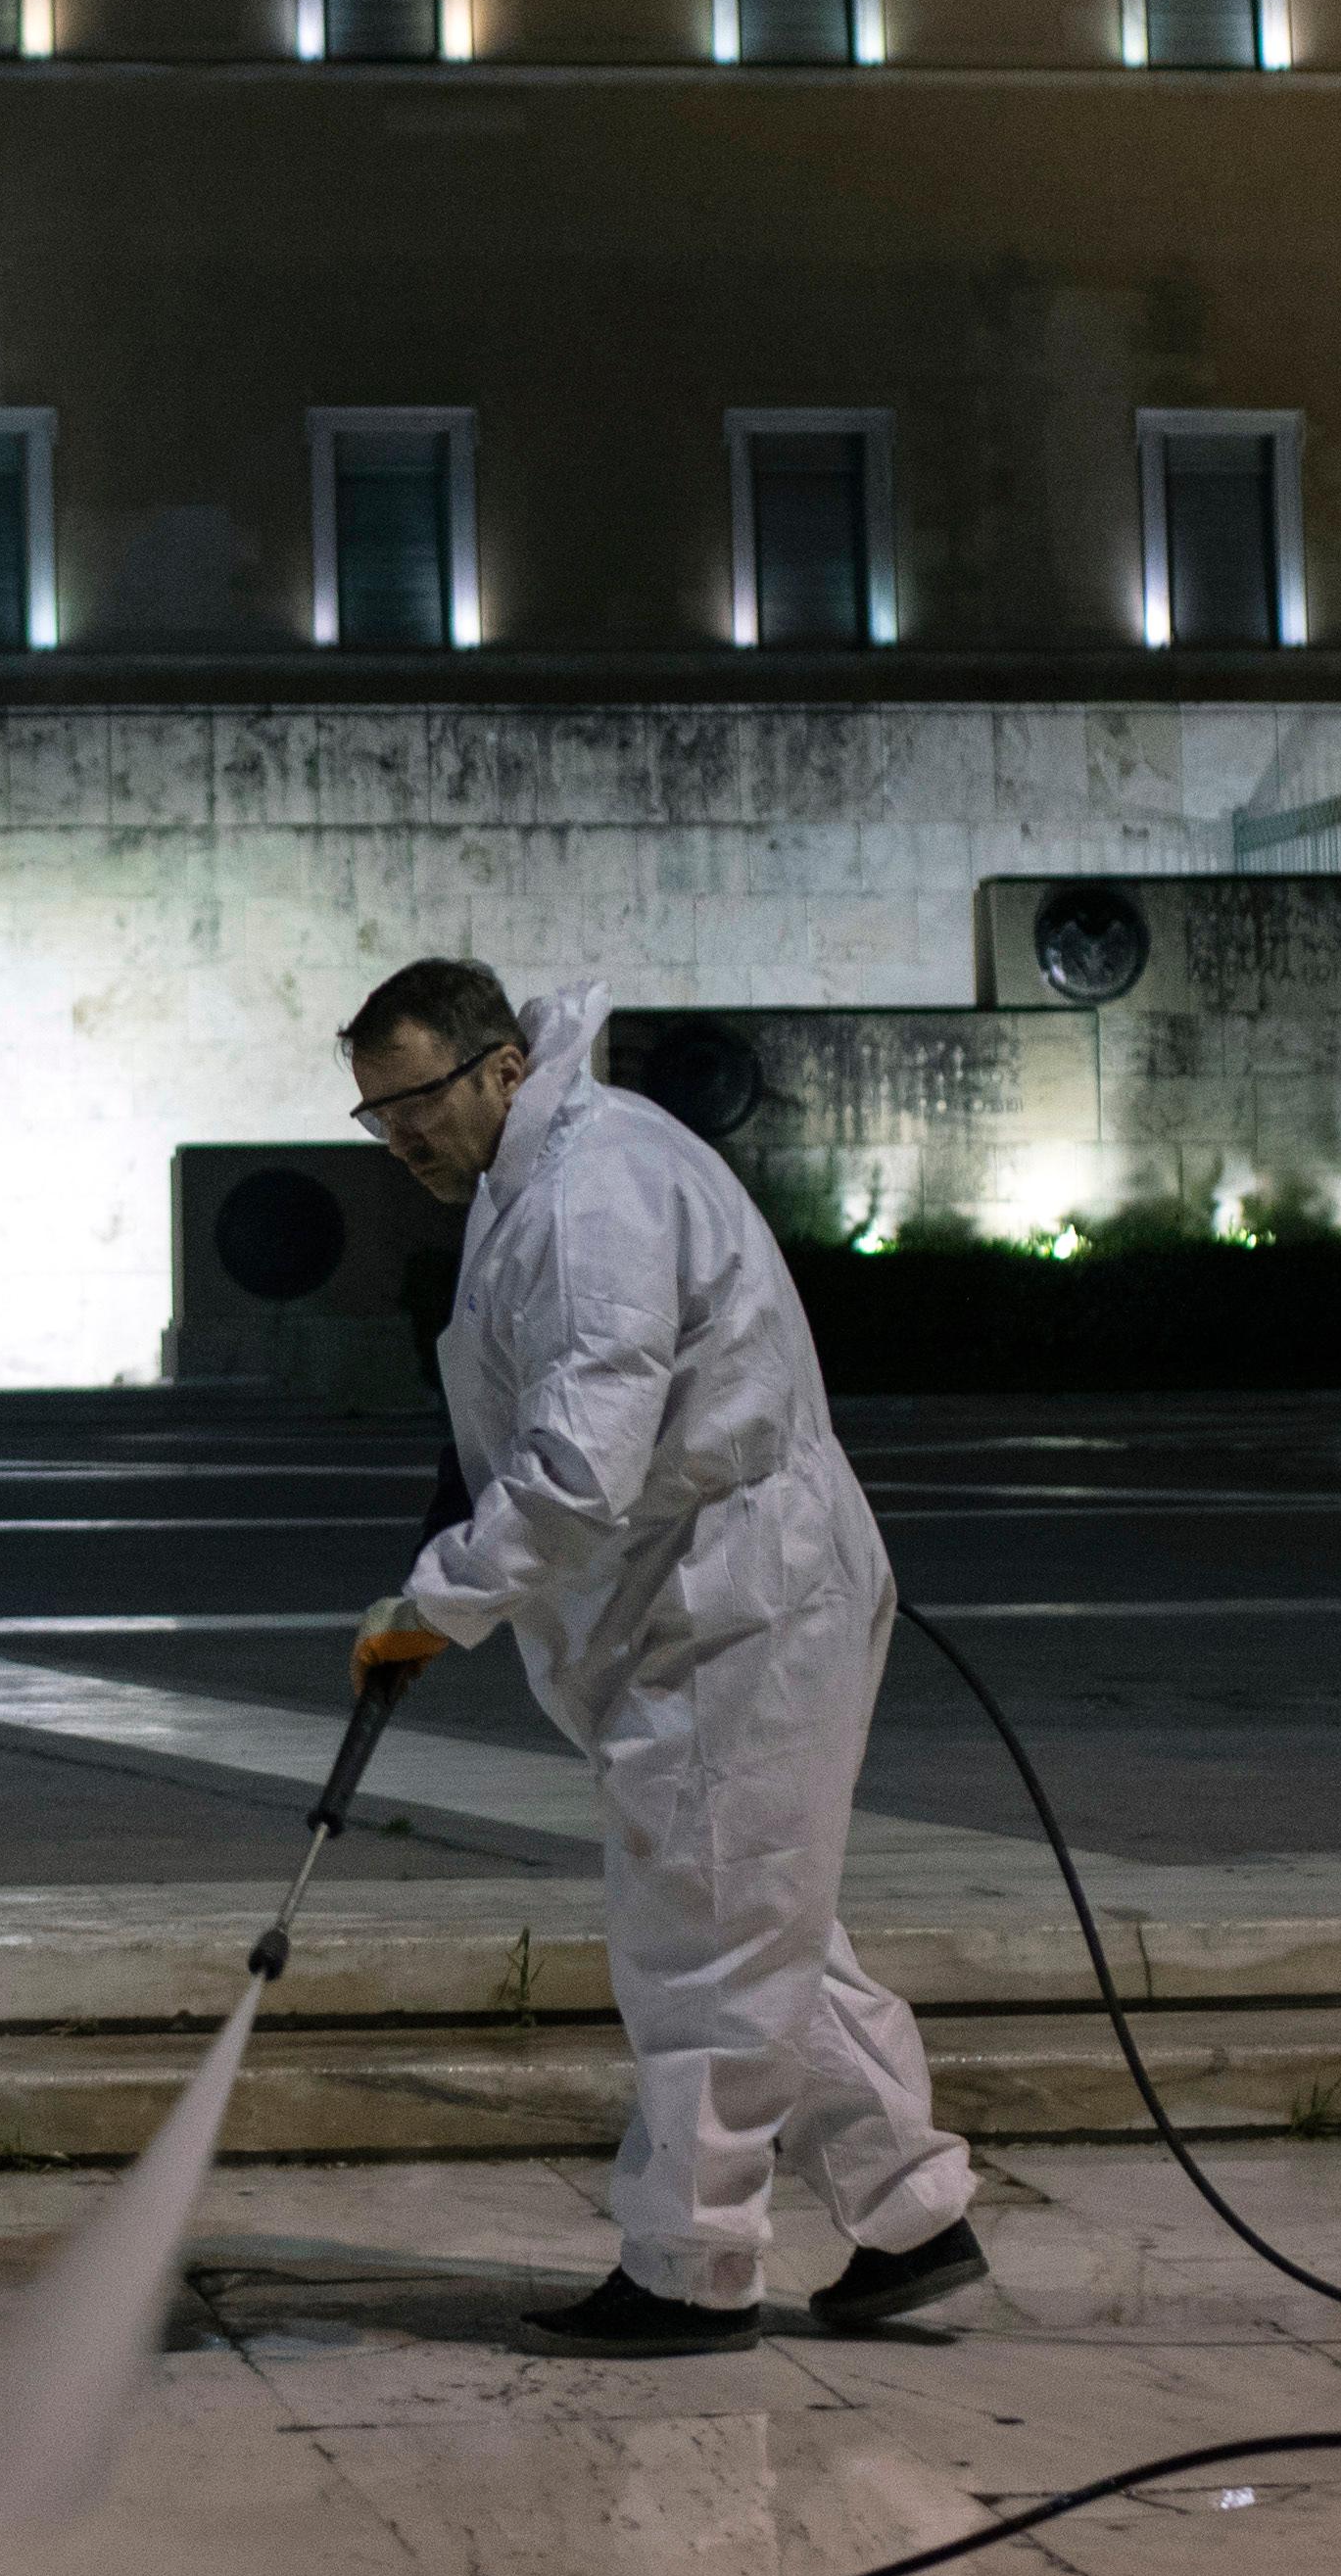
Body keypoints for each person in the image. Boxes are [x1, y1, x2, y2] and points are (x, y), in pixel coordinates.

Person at [342, 954, 985, 2356]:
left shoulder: (590, 1188)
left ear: (500, 1065)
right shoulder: (543, 1174)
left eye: (414, 1103)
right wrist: (452, 1529)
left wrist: (430, 1606)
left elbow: (579, 1471)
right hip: (710, 1596)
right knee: (761, 1919)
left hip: (733, 1599)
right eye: (374, 1117)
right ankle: (910, 2214)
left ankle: (689, 2267)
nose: (399, 1138)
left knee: (703, 1936)